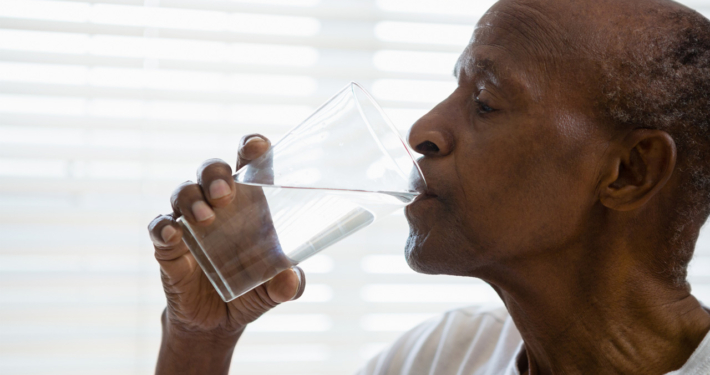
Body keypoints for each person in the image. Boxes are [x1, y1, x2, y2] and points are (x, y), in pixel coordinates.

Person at [146, 0, 710, 373]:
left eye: (485, 101)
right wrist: (198, 338)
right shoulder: (443, 357)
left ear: (630, 172)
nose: (422, 132)